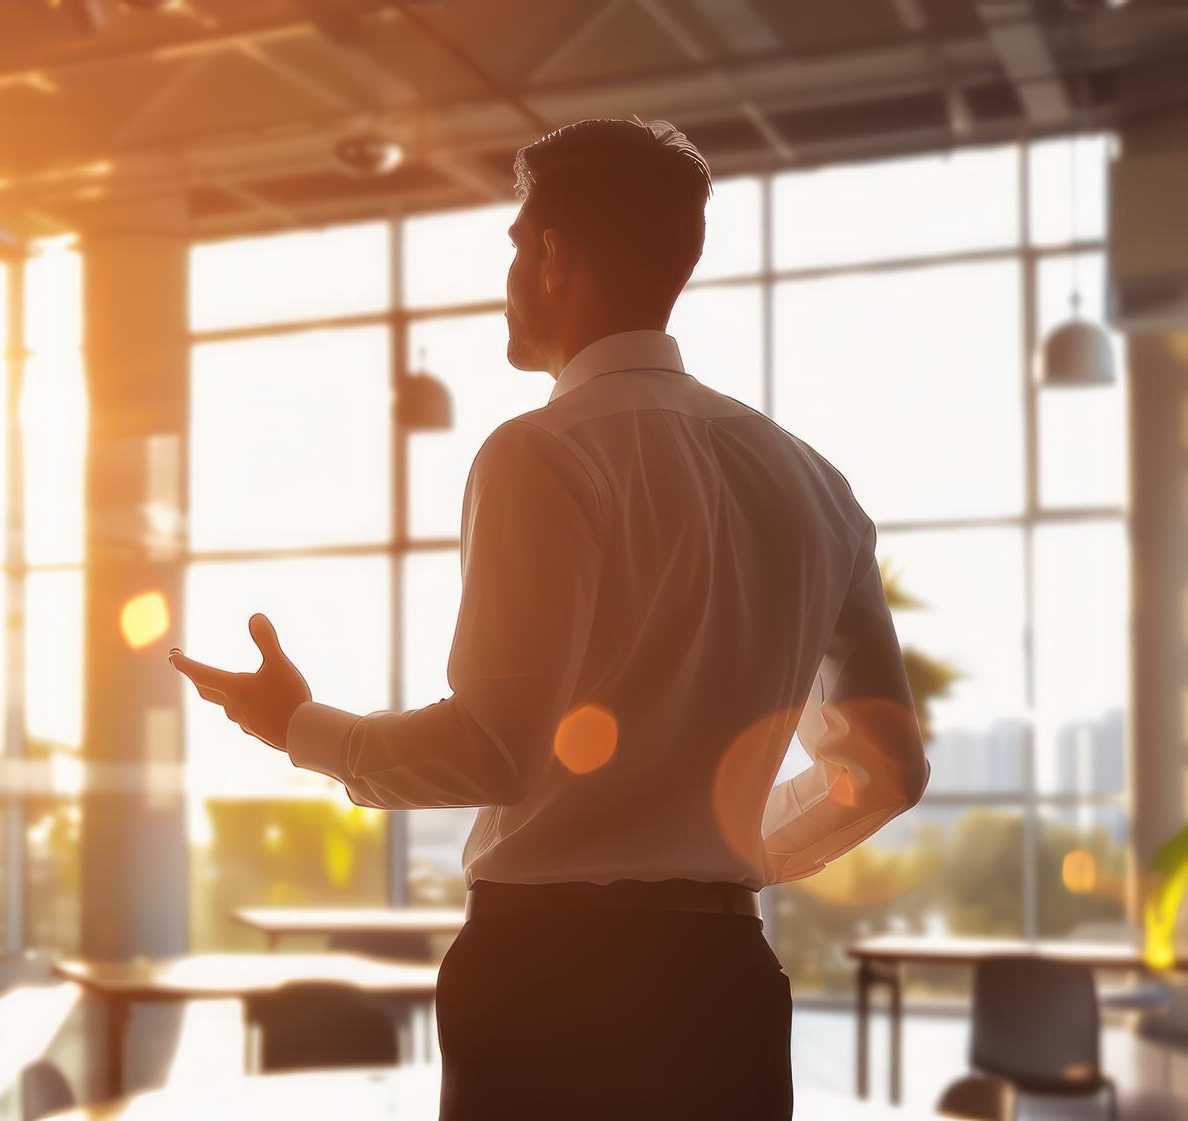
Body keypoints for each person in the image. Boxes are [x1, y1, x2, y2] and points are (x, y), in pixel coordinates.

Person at [168, 118, 929, 1119]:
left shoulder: (541, 452)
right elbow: (886, 768)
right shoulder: (811, 482)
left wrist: (296, 728)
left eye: (517, 246)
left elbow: (495, 749)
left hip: (550, 982)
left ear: (551, 255)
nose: (510, 281)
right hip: (724, 979)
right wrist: (733, 852)